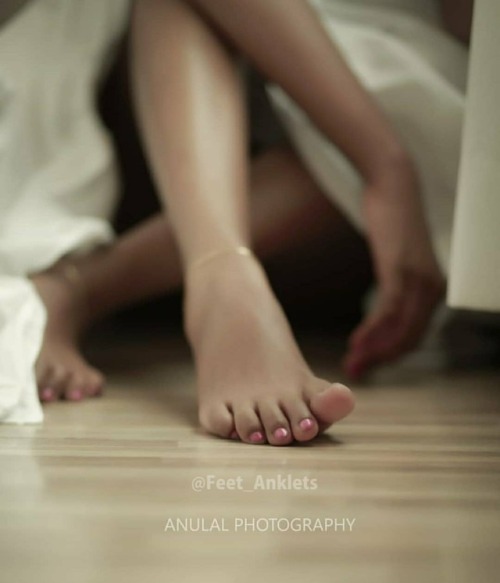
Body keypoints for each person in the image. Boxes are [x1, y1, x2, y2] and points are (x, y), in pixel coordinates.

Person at [23, 0, 471, 444]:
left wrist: (391, 169)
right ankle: (223, 277)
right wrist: (385, 168)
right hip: (140, 110)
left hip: (338, 237)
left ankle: (79, 284)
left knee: (424, 101)